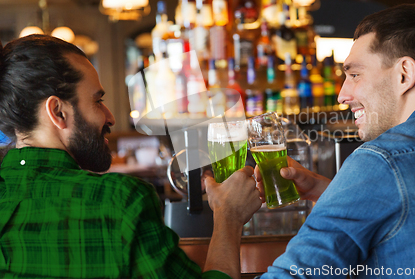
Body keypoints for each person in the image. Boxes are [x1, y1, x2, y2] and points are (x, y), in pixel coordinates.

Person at [208, 4, 415, 278]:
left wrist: (227, 217)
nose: (342, 95)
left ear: (405, 74)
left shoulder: (381, 162)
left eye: (355, 74)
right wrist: (333, 193)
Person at [0, 35, 261, 279]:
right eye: (97, 101)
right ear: (57, 111)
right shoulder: (120, 200)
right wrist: (229, 216)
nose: (110, 117)